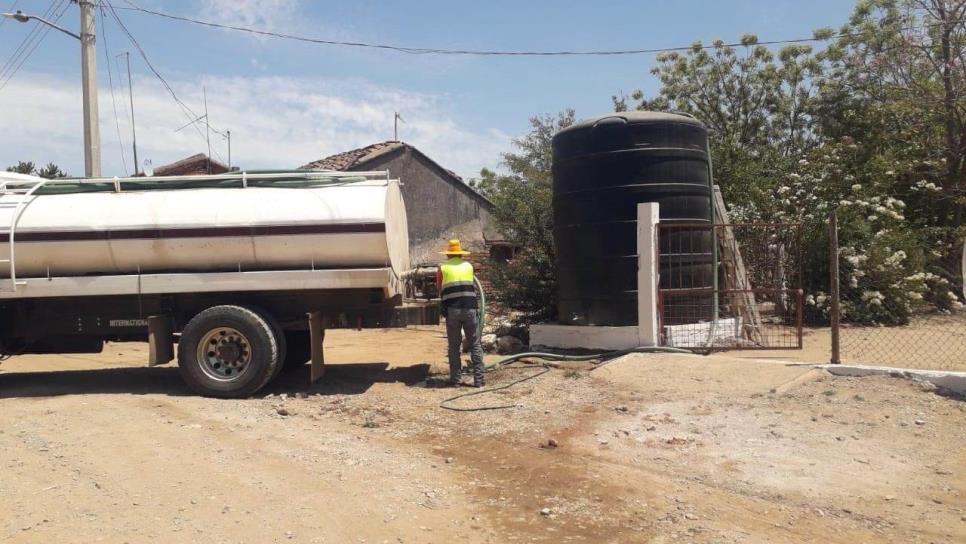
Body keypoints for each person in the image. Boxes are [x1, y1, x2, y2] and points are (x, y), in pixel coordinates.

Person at [436, 239, 485, 387]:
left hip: (452, 310)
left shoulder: (442, 268)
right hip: (470, 308)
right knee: (475, 344)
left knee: (454, 345)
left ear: (448, 255)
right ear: (460, 254)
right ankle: (479, 379)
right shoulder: (469, 266)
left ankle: (456, 380)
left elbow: (439, 288)